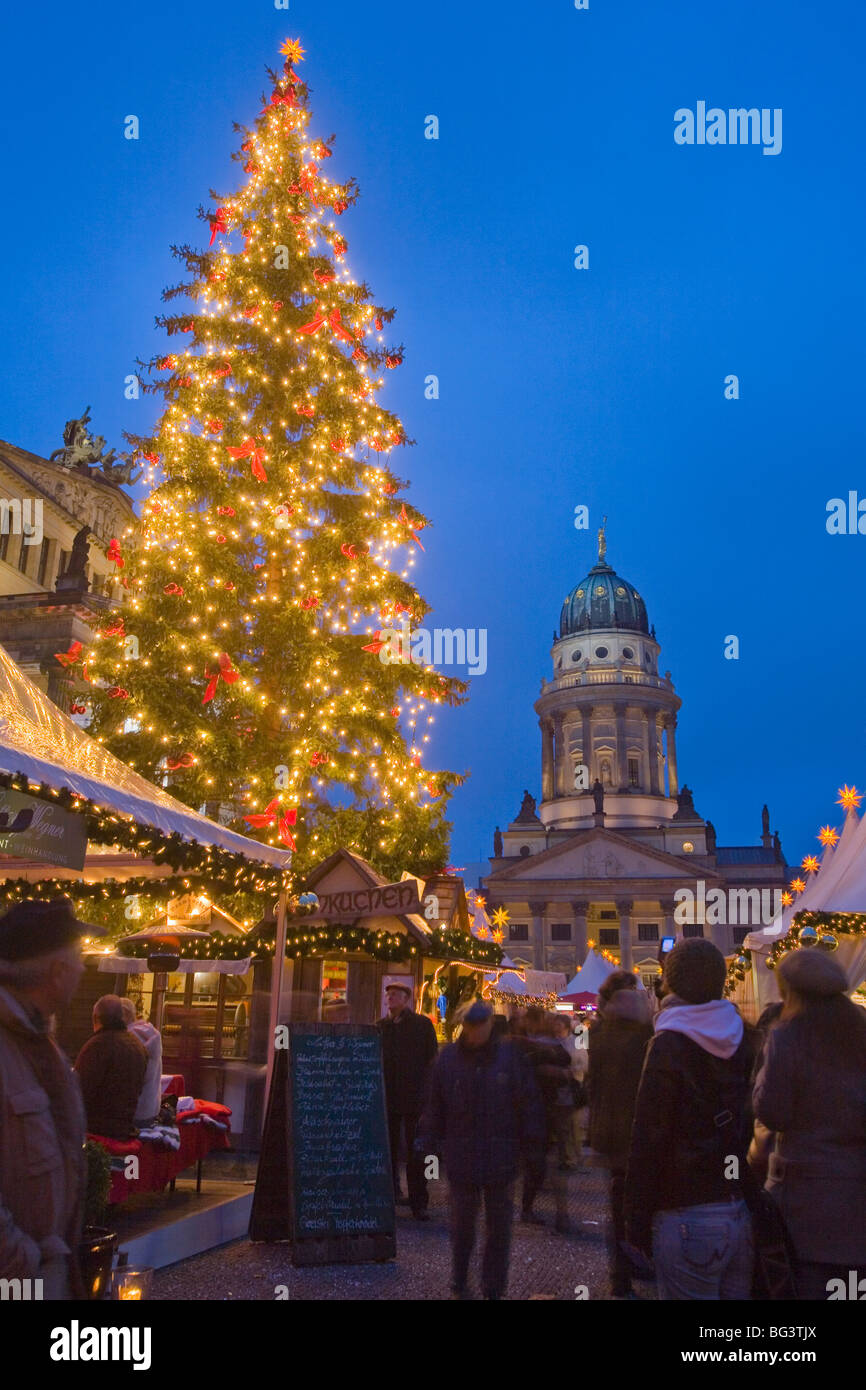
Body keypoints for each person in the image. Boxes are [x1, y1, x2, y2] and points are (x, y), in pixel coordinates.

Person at [624, 938, 755, 1299]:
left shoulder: (668, 1043)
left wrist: (635, 1223)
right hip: (739, 1207)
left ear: (672, 982)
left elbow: (648, 1138)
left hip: (687, 1211)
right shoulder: (747, 1037)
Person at [0, 896, 106, 1299]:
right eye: (78, 957)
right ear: (57, 971)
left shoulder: (38, 1041)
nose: (83, 967)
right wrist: (27, 1265)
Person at [752, 949, 866, 1301]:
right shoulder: (861, 1028)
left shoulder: (788, 1035)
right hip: (858, 1191)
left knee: (808, 1286)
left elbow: (772, 1112)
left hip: (806, 1196)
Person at [417, 999, 545, 1299]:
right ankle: (460, 1278)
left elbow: (528, 1104)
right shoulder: (447, 1060)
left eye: (480, 1025)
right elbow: (434, 1104)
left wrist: (533, 1146)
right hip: (462, 1158)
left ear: (490, 1024)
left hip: (501, 1157)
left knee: (498, 1232)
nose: (475, 1032)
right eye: (471, 1026)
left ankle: (493, 1287)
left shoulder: (509, 1058)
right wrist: (427, 1139)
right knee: (463, 1229)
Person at [587, 969, 653, 1298]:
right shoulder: (647, 1031)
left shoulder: (599, 1032)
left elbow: (592, 1084)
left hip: (610, 1132)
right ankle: (641, 1260)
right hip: (641, 1131)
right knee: (644, 1201)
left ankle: (619, 1275)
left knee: (618, 1206)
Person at [377, 981, 438, 1220]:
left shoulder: (421, 1025)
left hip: (415, 1098)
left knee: (417, 1152)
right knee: (388, 1149)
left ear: (406, 999)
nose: (390, 998)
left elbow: (432, 1060)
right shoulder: (381, 1027)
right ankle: (391, 1193)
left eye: (395, 995)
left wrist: (429, 1095)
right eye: (388, 995)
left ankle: (418, 1201)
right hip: (389, 1098)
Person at [513, 1007, 573, 1231]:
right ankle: (549, 1212)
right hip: (534, 1111)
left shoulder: (542, 1046)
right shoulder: (521, 1045)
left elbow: (564, 1062)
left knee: (540, 1162)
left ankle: (554, 1212)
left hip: (544, 1111)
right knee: (538, 1163)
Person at [75, 995, 147, 1140]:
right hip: (126, 1127)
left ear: (96, 1018)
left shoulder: (97, 1045)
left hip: (98, 1128)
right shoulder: (138, 1046)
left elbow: (79, 1092)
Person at [120, 998, 163, 1127]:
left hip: (134, 1114)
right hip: (151, 1111)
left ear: (124, 1015)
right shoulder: (152, 1034)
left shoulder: (128, 1040)